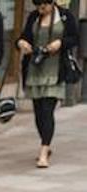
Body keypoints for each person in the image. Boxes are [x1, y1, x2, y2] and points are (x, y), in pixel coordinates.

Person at [18, 0, 80, 169]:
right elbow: (24, 37)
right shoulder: (33, 17)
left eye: (43, 5)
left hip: (55, 70)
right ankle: (46, 142)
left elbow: (75, 38)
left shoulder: (65, 17)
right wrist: (22, 43)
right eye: (38, 6)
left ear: (51, 3)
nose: (41, 9)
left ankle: (43, 152)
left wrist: (60, 43)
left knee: (47, 110)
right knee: (38, 113)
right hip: (34, 70)